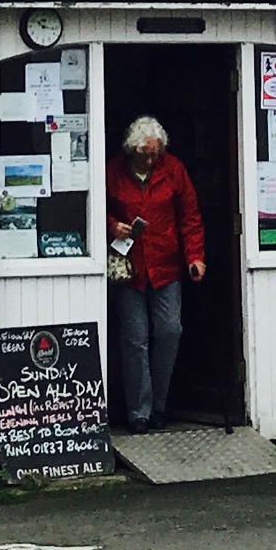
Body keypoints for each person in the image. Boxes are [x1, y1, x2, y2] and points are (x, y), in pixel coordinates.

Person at [106, 114, 205, 434]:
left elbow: (189, 216)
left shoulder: (173, 169)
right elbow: (94, 205)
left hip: (167, 263)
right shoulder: (113, 171)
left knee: (169, 331)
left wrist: (196, 257)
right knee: (134, 339)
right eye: (145, 153)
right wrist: (112, 226)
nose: (150, 159)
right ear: (131, 150)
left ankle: (160, 404)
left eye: (155, 153)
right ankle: (139, 411)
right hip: (130, 266)